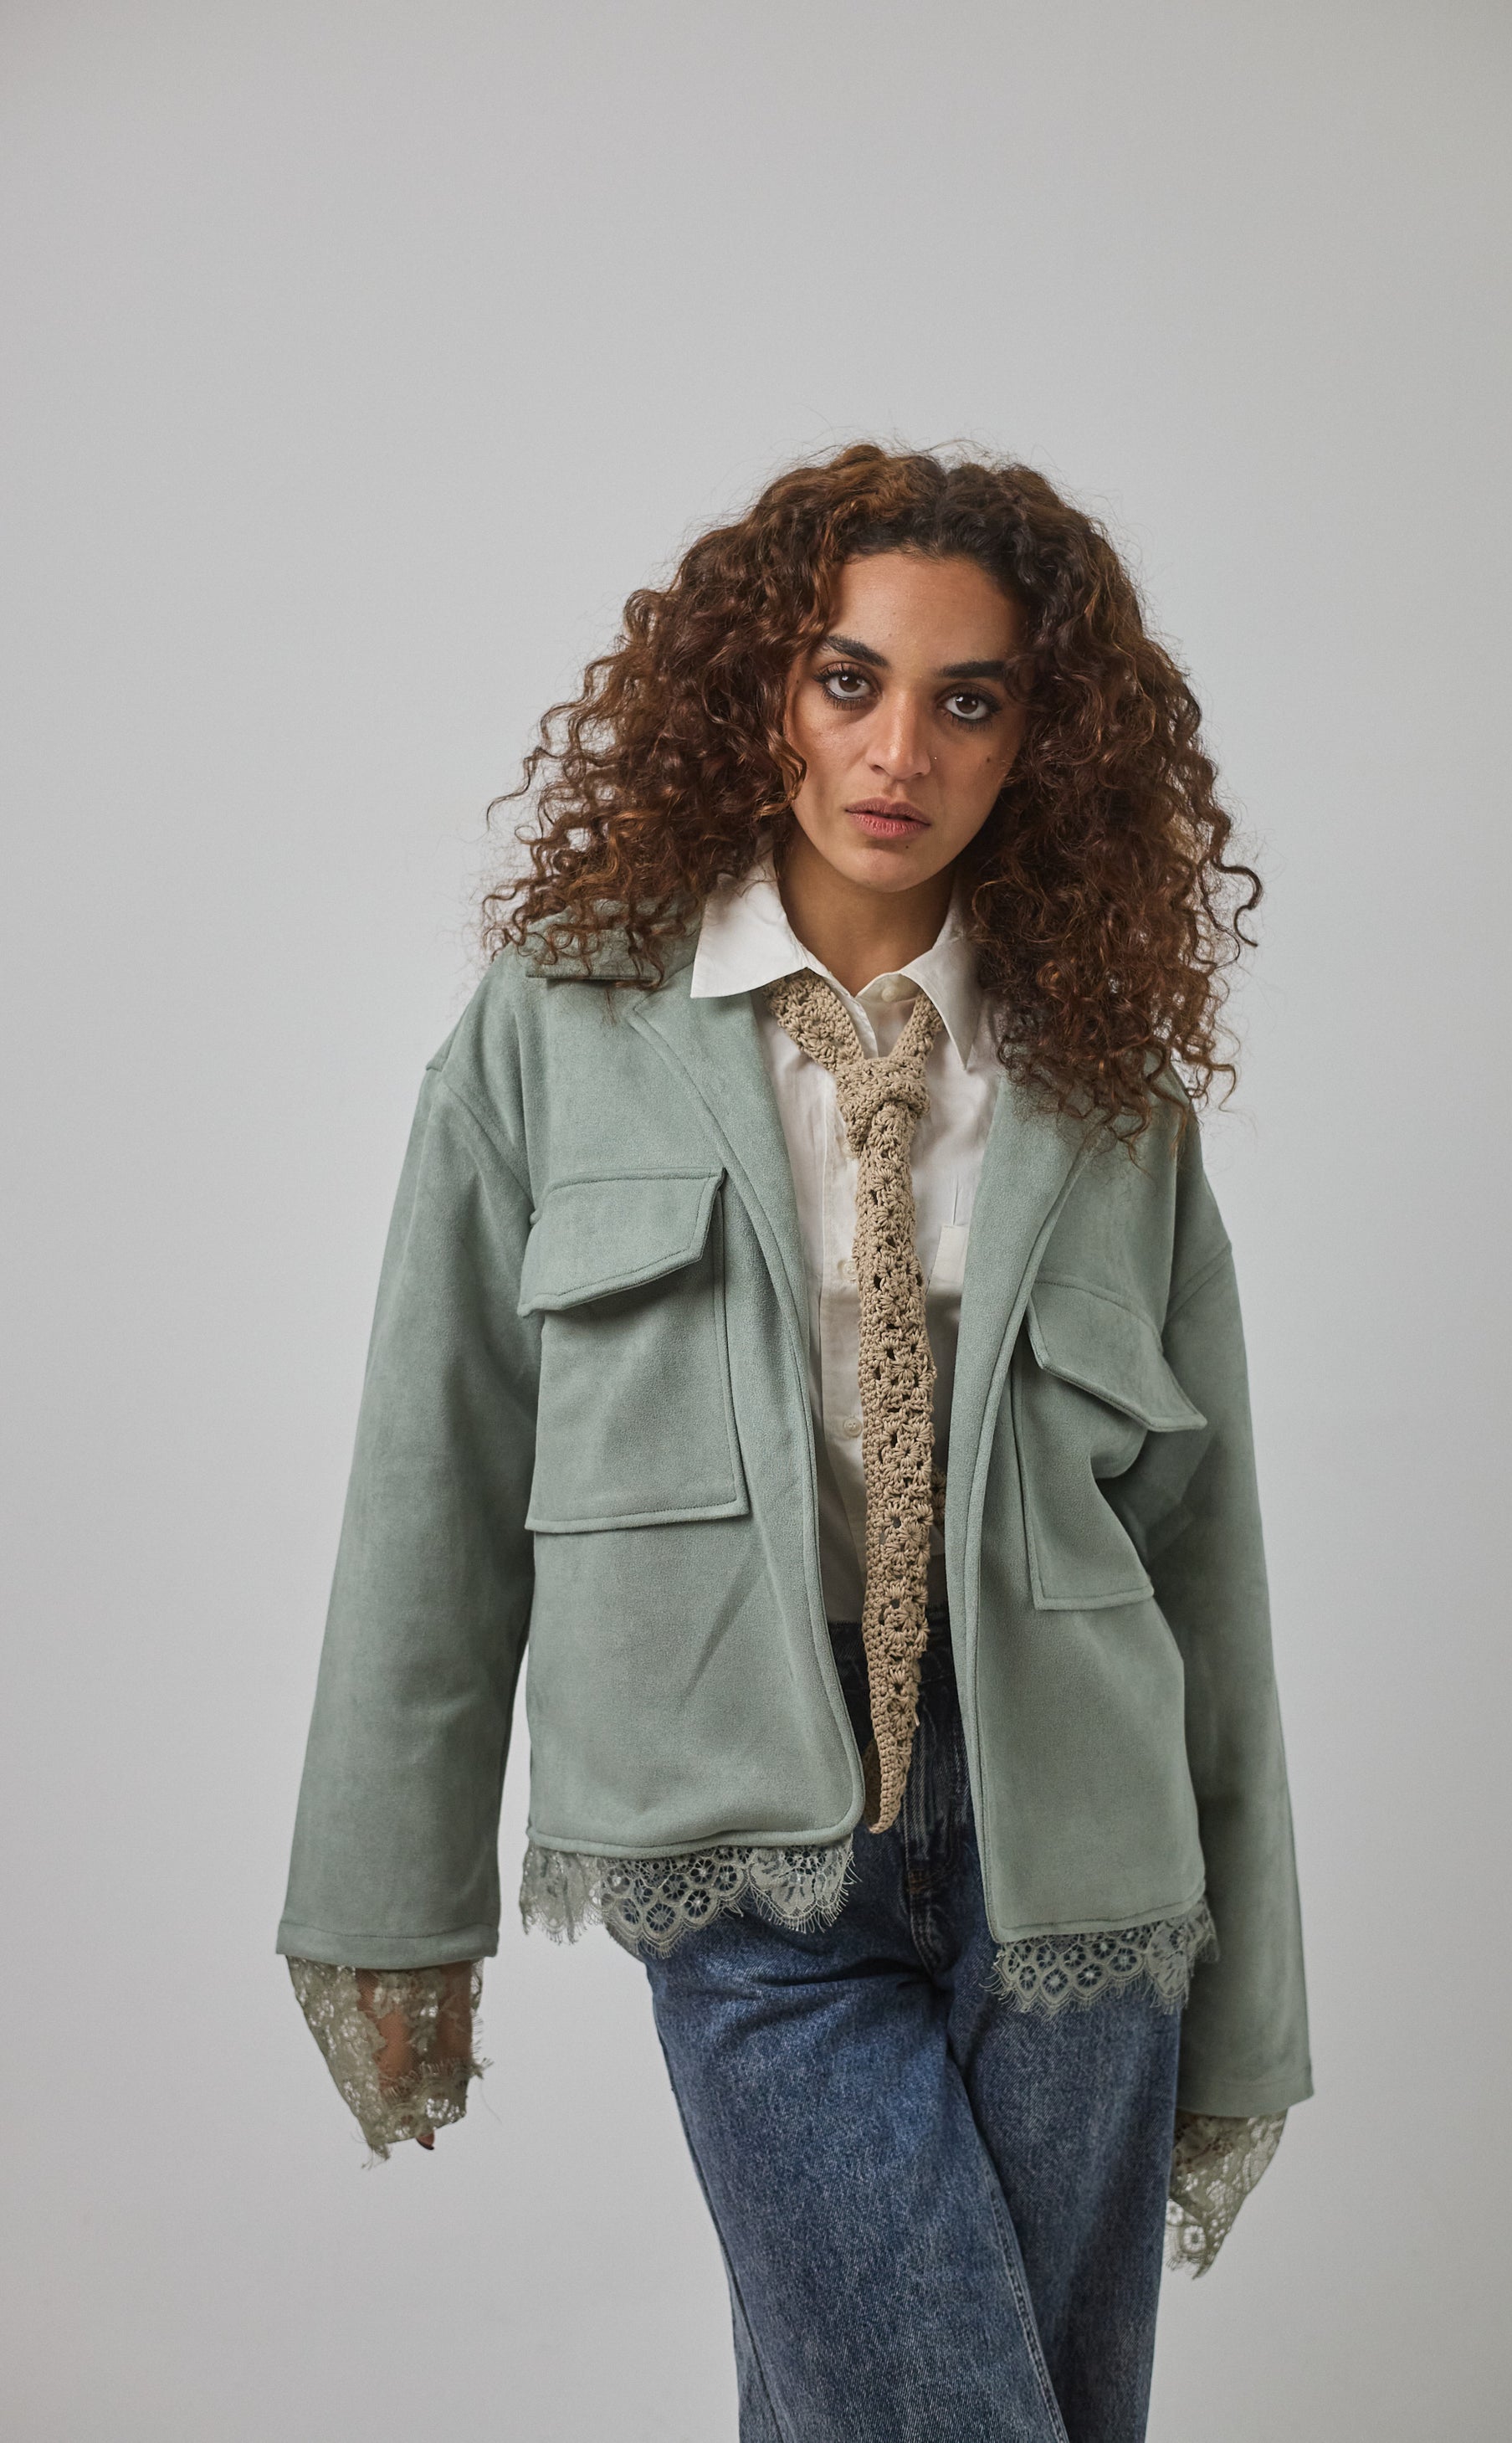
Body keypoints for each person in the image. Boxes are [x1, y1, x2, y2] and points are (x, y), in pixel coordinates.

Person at [279, 442, 1311, 2442]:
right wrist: (389, 1895)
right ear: (760, 687)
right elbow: (434, 1467)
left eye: (968, 697)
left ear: (1042, 741)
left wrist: (1251, 1997)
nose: (897, 749)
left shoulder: (1101, 1078)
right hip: (736, 1839)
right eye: (849, 678)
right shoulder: (560, 1021)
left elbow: (1204, 1555)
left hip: (1074, 1853)